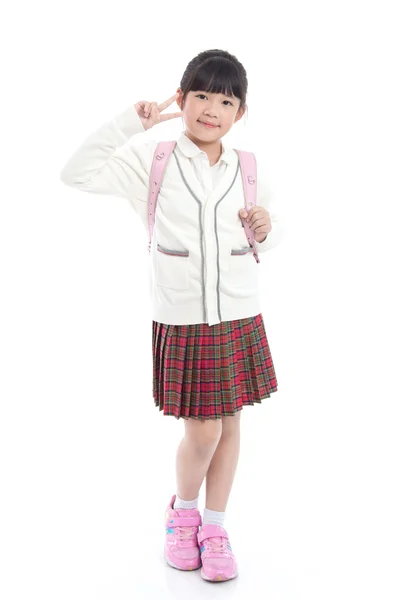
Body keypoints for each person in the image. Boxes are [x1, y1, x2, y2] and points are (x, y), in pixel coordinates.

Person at [60, 48, 284, 583]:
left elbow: (267, 240)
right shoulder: (153, 160)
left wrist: (267, 227)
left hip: (237, 315)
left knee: (229, 428)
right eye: (201, 95)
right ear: (180, 100)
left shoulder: (247, 167)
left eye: (225, 100)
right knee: (203, 433)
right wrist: (128, 124)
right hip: (184, 317)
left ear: (240, 112)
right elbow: (76, 173)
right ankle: (182, 516)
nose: (212, 109)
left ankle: (215, 525)